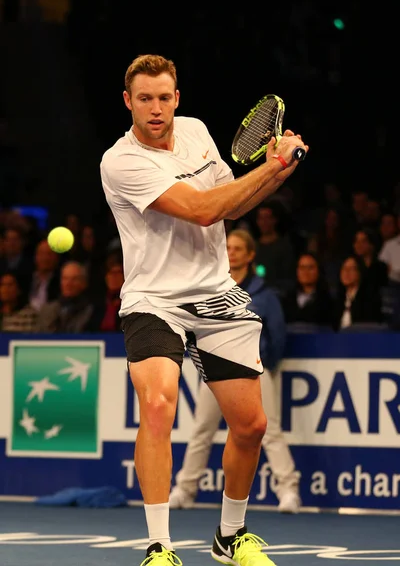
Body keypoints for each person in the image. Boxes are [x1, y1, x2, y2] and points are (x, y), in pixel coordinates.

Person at [100, 54, 308, 566]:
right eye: (144, 98)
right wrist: (270, 164)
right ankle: (159, 547)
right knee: (157, 407)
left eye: (164, 97)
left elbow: (232, 205)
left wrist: (282, 170)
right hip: (154, 300)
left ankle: (230, 536)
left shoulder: (195, 131)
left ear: (177, 98)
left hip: (214, 292)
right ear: (128, 101)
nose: (155, 108)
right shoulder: (120, 160)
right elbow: (201, 209)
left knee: (252, 425)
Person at [169, 229, 301, 513]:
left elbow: (277, 337)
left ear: (251, 255)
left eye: (239, 248)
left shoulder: (266, 295)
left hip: (256, 370)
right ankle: (185, 490)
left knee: (270, 431)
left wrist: (263, 364)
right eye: (228, 246)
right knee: (202, 429)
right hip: (216, 370)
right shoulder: (212, 288)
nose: (232, 252)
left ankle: (288, 490)